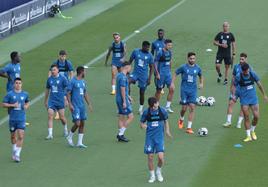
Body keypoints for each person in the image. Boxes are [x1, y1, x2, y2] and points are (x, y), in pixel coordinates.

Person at [232, 63, 268, 142]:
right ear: (242, 71)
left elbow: (259, 85)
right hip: (244, 99)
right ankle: (248, 136)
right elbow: (235, 86)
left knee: (256, 116)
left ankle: (252, 131)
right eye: (245, 71)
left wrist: (264, 95)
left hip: (253, 98)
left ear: (248, 69)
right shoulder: (238, 76)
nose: (246, 72)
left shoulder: (253, 74)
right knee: (246, 117)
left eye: (247, 70)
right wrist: (234, 96)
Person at [140, 97, 172, 183]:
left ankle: (158, 171)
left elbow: (166, 121)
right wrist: (143, 126)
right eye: (153, 106)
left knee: (161, 158)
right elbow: (141, 122)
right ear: (150, 106)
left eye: (156, 105)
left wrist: (167, 131)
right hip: (150, 138)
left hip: (159, 137)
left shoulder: (162, 111)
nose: (155, 107)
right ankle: (152, 175)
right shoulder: (146, 112)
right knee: (150, 157)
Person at [171, 52, 203, 134]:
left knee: (192, 107)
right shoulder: (183, 67)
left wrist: (201, 83)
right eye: (191, 58)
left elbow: (200, 75)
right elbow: (175, 73)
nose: (192, 60)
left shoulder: (198, 68)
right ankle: (181, 119)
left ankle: (189, 127)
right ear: (188, 59)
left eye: (194, 58)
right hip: (184, 90)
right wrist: (172, 83)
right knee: (184, 108)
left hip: (193, 90)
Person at [2, 78, 30, 162]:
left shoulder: (25, 94)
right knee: (13, 136)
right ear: (14, 84)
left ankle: (17, 154)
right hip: (12, 119)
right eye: (16, 83)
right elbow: (3, 104)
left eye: (19, 83)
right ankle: (14, 150)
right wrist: (12, 105)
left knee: (21, 136)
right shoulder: (10, 94)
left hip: (21, 118)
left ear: (22, 84)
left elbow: (27, 102)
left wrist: (26, 106)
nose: (18, 84)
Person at [66, 66, 93, 148]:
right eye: (85, 71)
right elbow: (68, 93)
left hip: (82, 106)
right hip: (75, 105)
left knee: (82, 123)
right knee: (77, 123)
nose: (85, 73)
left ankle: (79, 142)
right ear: (81, 72)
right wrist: (70, 104)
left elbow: (85, 93)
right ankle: (69, 136)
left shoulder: (83, 81)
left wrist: (89, 104)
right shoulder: (72, 81)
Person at [222, 53, 250, 128]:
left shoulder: (248, 68)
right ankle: (228, 121)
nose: (241, 61)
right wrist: (231, 88)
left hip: (244, 90)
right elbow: (233, 78)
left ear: (246, 59)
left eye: (242, 59)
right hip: (236, 89)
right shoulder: (236, 67)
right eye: (240, 59)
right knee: (231, 103)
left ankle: (239, 122)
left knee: (242, 107)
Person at [129, 41, 154, 115]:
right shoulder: (135, 52)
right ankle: (128, 99)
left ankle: (140, 108)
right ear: (142, 46)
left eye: (148, 47)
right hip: (135, 73)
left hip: (144, 76)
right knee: (127, 82)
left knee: (142, 92)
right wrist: (127, 72)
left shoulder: (149, 55)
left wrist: (149, 78)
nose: (148, 49)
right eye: (146, 47)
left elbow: (151, 67)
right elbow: (130, 61)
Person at [44, 64, 69, 139]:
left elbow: (67, 89)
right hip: (52, 101)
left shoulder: (63, 78)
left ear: (58, 70)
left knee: (62, 118)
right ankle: (50, 134)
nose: (52, 71)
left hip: (60, 100)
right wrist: (45, 100)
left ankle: (65, 129)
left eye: (54, 70)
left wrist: (66, 99)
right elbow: (47, 90)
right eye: (52, 70)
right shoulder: (49, 79)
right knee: (50, 116)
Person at [49, 50, 74, 120]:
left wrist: (70, 81)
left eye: (64, 56)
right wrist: (50, 80)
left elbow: (71, 72)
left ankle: (63, 109)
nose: (63, 57)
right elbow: (50, 72)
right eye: (62, 56)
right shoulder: (56, 63)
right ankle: (58, 113)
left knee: (65, 97)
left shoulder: (68, 63)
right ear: (59, 56)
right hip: (57, 83)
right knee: (59, 97)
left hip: (65, 83)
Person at [115, 61, 134, 142]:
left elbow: (122, 89)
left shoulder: (119, 75)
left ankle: (120, 135)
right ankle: (120, 134)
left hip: (118, 98)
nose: (131, 69)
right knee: (131, 117)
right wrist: (125, 101)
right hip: (122, 99)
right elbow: (123, 89)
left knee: (121, 117)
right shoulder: (123, 77)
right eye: (130, 67)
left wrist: (128, 96)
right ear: (127, 67)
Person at [154, 39, 174, 113]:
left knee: (172, 89)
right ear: (165, 44)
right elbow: (155, 62)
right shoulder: (160, 52)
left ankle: (167, 107)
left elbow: (170, 61)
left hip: (168, 74)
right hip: (161, 74)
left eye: (171, 45)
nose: (170, 46)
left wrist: (170, 71)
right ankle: (156, 106)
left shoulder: (170, 52)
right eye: (169, 45)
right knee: (159, 91)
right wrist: (157, 73)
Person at [151, 29, 165, 95]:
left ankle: (162, 86)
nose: (160, 35)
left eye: (161, 33)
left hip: (164, 62)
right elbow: (152, 53)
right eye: (159, 33)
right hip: (157, 61)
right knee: (156, 74)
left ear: (163, 34)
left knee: (163, 74)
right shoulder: (154, 43)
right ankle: (158, 87)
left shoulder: (165, 42)